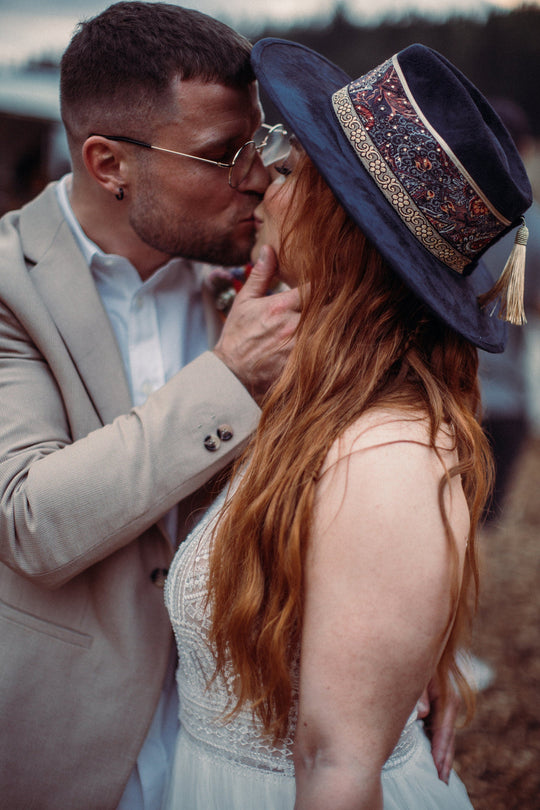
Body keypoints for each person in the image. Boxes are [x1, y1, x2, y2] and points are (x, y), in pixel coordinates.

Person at [163, 40, 532, 809]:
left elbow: (337, 766)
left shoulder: (387, 451)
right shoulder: (313, 399)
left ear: (346, 228)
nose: (261, 182)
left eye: (292, 171)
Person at [0, 4, 301, 809]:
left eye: (258, 144)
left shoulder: (259, 268)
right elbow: (31, 519)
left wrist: (406, 661)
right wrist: (229, 378)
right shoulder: (7, 287)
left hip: (250, 735)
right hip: (72, 744)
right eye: (221, 155)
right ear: (108, 164)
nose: (258, 179)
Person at [478, 98, 540, 523]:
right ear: (526, 149)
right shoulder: (533, 228)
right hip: (506, 401)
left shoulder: (442, 214)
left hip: (444, 395)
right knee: (487, 531)